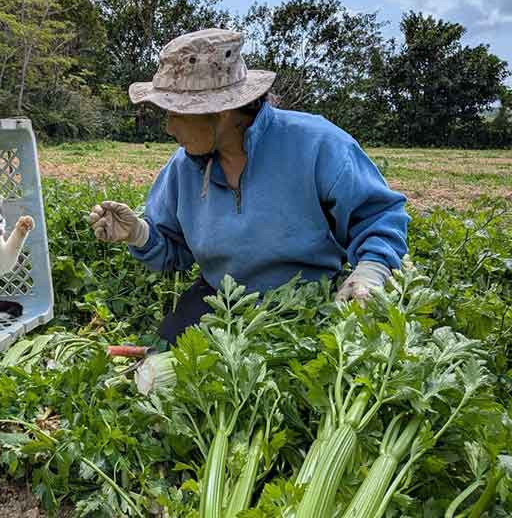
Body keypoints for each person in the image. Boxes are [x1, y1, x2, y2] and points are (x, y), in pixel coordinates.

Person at [88, 28, 410, 344]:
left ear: (222, 110)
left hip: (308, 300)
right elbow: (176, 252)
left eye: (177, 113)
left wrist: (371, 270)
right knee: (167, 355)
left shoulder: (316, 144)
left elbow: (378, 216)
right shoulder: (183, 167)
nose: (169, 126)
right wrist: (138, 234)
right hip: (221, 297)